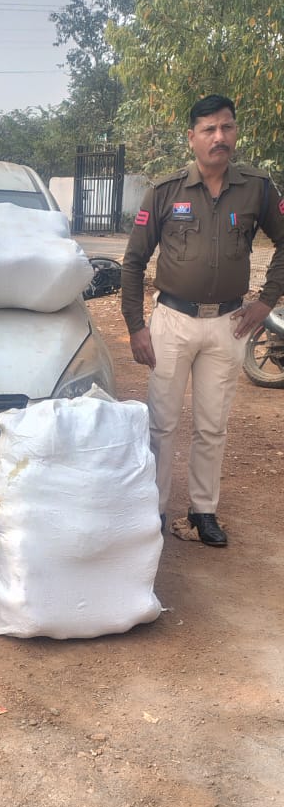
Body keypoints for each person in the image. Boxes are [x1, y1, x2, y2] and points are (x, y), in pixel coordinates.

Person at [121, 94, 284, 546]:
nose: (219, 137)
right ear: (191, 137)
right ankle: (153, 510)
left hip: (229, 323)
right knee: (161, 424)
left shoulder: (257, 188)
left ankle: (202, 511)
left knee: (212, 425)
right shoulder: (165, 191)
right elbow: (133, 261)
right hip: (172, 321)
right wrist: (135, 326)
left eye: (226, 127)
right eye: (209, 129)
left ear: (235, 132)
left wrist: (266, 301)